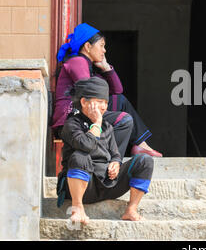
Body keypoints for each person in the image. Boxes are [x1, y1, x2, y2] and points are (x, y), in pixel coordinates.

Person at [52, 23, 162, 158]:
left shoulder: (89, 67)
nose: (104, 50)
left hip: (85, 112)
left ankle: (132, 147)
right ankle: (110, 159)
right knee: (124, 120)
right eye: (101, 45)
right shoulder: (77, 62)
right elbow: (90, 91)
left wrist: (106, 68)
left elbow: (117, 90)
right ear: (87, 46)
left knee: (119, 100)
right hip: (71, 118)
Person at [56, 77, 153, 223]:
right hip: (84, 185)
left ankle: (131, 210)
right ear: (84, 102)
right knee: (79, 156)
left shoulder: (107, 127)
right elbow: (86, 145)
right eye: (100, 102)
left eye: (106, 103)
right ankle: (78, 208)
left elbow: (115, 153)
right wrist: (97, 123)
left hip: (107, 184)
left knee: (145, 160)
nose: (104, 107)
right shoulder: (72, 124)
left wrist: (115, 162)